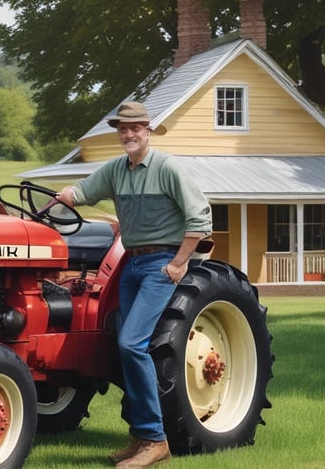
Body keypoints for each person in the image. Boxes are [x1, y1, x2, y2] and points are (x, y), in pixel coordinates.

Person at [56, 101, 212, 468]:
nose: (129, 135)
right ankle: (140, 436)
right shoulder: (116, 170)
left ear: (148, 131)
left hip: (161, 263)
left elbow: (200, 217)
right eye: (123, 130)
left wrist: (179, 262)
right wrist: (66, 194)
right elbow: (84, 192)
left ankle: (156, 440)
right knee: (119, 343)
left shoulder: (168, 168)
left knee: (132, 342)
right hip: (131, 262)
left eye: (135, 128)